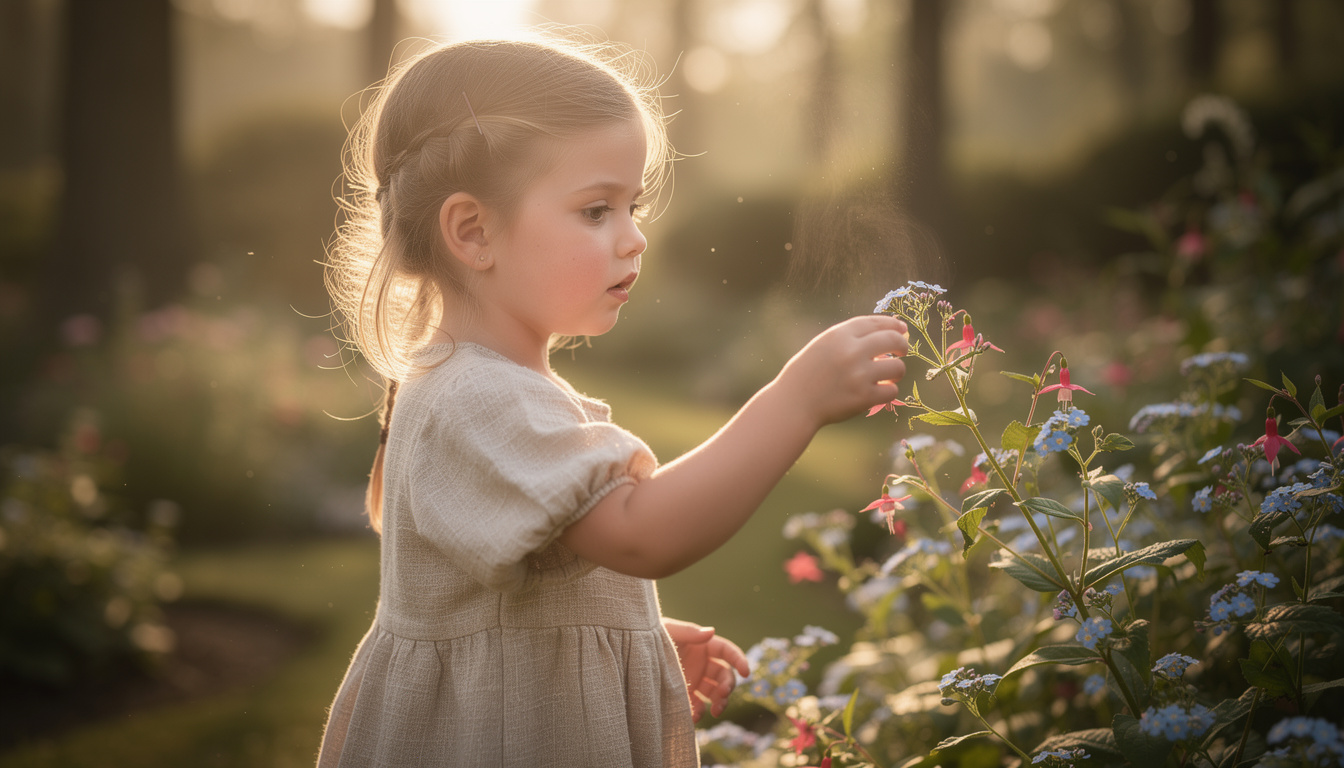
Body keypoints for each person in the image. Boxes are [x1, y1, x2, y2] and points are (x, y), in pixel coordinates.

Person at [316, 35, 909, 768]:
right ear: (474, 231)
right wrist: (796, 401)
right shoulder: (475, 399)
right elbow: (641, 533)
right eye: (597, 210)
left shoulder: (489, 389)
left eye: (634, 205)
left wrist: (622, 638)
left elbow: (515, 604)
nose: (634, 239)